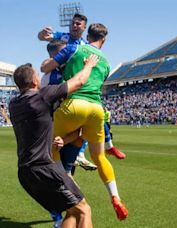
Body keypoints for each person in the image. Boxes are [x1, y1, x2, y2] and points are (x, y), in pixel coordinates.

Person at [41, 23, 128, 221]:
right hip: (96, 109)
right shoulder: (106, 62)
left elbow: (48, 66)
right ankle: (115, 197)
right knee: (100, 158)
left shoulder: (75, 48)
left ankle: (68, 196)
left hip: (73, 105)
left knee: (52, 152)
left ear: (86, 35)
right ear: (103, 41)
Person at [9, 54, 99, 228]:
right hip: (43, 168)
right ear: (34, 81)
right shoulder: (42, 96)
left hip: (25, 173)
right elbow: (79, 81)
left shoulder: (14, 104)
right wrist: (89, 65)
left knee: (72, 212)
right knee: (84, 210)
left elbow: (36, 127)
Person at [42, 40, 98, 174]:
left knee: (67, 174)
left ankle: (78, 158)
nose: (68, 55)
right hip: (56, 131)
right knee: (62, 177)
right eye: (63, 53)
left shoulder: (68, 69)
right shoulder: (51, 77)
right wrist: (88, 67)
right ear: (54, 56)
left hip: (68, 134)